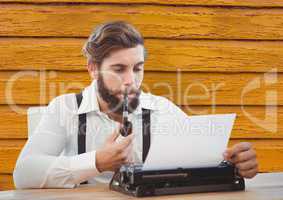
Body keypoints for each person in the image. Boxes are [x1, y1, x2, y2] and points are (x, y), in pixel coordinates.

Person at [13, 21, 258, 189]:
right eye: (119, 69)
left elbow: (208, 159)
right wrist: (97, 161)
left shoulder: (162, 109)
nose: (131, 81)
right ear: (93, 69)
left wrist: (236, 164)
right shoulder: (64, 109)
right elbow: (23, 174)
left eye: (137, 68)